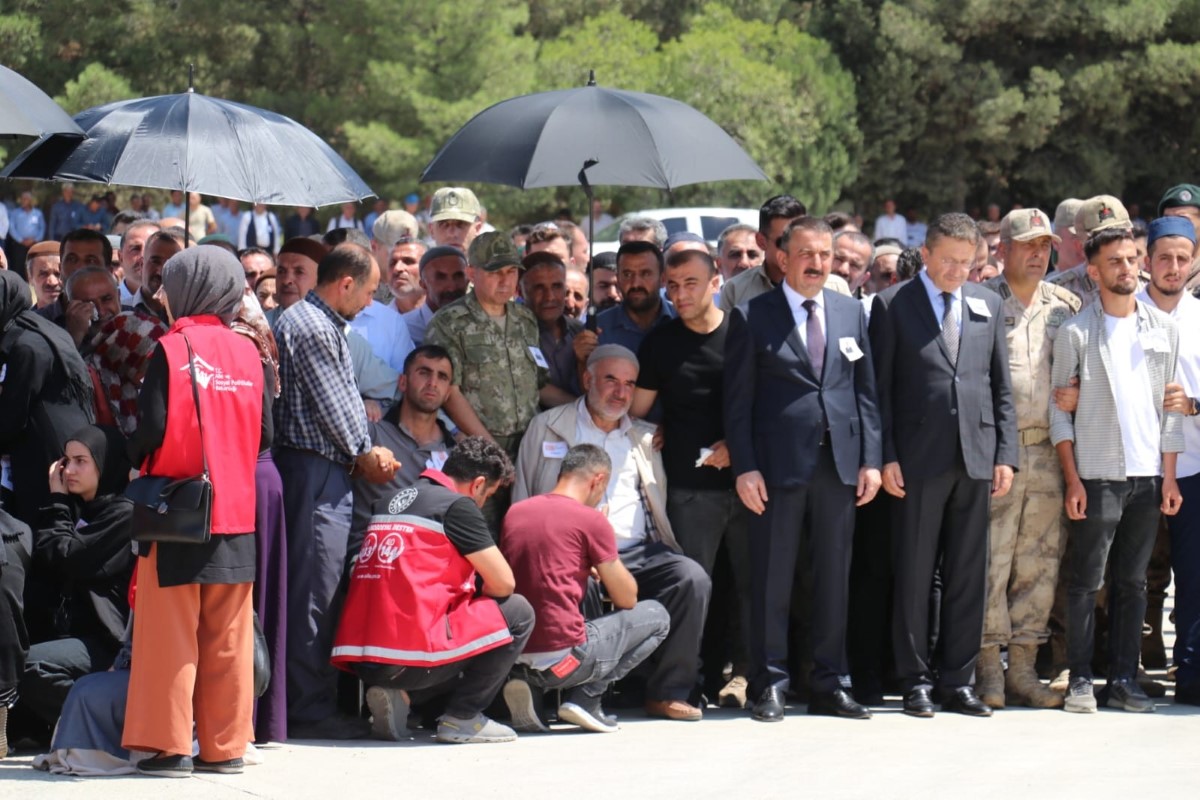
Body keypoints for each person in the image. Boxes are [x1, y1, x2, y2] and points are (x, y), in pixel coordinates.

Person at [724, 217, 882, 722]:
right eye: (807, 254)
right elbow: (738, 403)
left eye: (825, 254)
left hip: (839, 465)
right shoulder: (752, 315)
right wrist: (744, 468)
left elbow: (866, 394)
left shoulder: (850, 311)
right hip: (775, 469)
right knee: (772, 578)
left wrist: (871, 460)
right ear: (783, 258)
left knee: (834, 579)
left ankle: (829, 683)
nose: (818, 264)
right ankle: (769, 684)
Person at [121, 245, 268, 777]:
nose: (161, 291)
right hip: (237, 512)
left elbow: (152, 431)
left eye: (169, 281)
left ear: (187, 287)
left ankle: (168, 746)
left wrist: (133, 453)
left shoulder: (170, 348)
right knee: (229, 637)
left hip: (179, 511)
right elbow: (265, 436)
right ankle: (225, 748)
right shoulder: (251, 352)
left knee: (171, 637)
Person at [870, 212, 1017, 718]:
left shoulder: (988, 303)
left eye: (966, 261)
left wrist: (1006, 455)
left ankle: (958, 679)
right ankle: (914, 680)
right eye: (948, 260)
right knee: (914, 572)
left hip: (975, 457)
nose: (957, 270)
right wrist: (885, 454)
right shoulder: (891, 305)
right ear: (926, 255)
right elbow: (879, 391)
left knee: (967, 573)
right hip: (916, 458)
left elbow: (1001, 388)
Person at [513, 345, 711, 722]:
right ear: (587, 379)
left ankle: (668, 691)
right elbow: (524, 493)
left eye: (630, 384)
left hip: (637, 550)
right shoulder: (550, 425)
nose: (620, 392)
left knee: (691, 578)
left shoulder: (644, 438)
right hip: (572, 550)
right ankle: (580, 693)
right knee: (580, 584)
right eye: (610, 380)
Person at [1050, 226, 1183, 714]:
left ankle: (1123, 679)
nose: (1127, 269)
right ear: (1094, 270)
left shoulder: (1162, 330)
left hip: (1148, 478)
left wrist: (1168, 476)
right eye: (1115, 261)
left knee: (1132, 582)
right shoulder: (1077, 332)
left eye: (1132, 259)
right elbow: (1057, 413)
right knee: (1087, 581)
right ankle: (1082, 678)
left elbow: (1170, 411)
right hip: (1098, 474)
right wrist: (1072, 478)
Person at [272, 244, 398, 739]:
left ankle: (308, 701)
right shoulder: (314, 326)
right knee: (314, 596)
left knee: (314, 589)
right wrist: (368, 452)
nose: (369, 303)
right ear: (345, 283)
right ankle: (309, 708)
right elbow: (339, 412)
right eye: (368, 292)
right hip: (315, 472)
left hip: (316, 471)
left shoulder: (307, 320)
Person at [331, 437, 533, 745]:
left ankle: (399, 696)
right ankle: (463, 718)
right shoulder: (458, 506)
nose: (482, 504)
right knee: (517, 611)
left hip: (364, 661)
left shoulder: (391, 499)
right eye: (487, 496)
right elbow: (504, 583)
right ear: (478, 484)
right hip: (408, 658)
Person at [632, 248, 751, 708]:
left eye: (690, 284)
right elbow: (636, 413)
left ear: (715, 281)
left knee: (747, 584)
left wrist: (737, 448)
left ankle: (743, 677)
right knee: (695, 589)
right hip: (688, 488)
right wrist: (652, 429)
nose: (679, 294)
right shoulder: (661, 343)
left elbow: (772, 401)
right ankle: (689, 681)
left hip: (748, 482)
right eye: (672, 285)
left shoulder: (745, 332)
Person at [976, 209, 1079, 710]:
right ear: (1003, 250)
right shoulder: (981, 302)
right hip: (999, 455)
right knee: (989, 563)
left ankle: (1022, 668)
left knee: (1039, 563)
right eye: (1028, 245)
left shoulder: (1066, 304)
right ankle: (986, 670)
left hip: (1049, 452)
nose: (1038, 254)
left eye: (1045, 246)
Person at [501, 444, 670, 733]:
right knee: (656, 616)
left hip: (513, 658)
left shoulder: (516, 512)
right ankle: (587, 698)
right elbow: (626, 598)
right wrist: (603, 548)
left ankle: (532, 690)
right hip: (566, 662)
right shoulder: (590, 519)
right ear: (598, 480)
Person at [424, 232, 554, 529]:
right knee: (482, 536)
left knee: (529, 533)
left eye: (511, 272)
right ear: (472, 273)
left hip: (529, 447)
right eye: (496, 272)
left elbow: (539, 382)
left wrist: (583, 404)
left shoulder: (525, 319)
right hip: (477, 452)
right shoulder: (449, 322)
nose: (506, 281)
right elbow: (449, 393)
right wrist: (493, 451)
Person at [19, 426, 134, 736]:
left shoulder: (122, 514)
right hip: (78, 636)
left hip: (107, 643)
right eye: (66, 461)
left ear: (104, 463)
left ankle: (96, 720)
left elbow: (67, 556)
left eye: (81, 460)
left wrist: (57, 501)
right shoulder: (85, 510)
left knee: (30, 666)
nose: (69, 470)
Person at [1133, 218, 1200, 682]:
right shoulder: (1121, 313)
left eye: (1182, 259)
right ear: (1147, 261)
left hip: (1193, 467)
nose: (1173, 267)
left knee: (1192, 574)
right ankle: (1117, 667)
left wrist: (1195, 405)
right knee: (1126, 574)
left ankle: (1191, 667)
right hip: (1130, 466)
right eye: (1164, 258)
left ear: (1193, 261)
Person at [0, 272, 95, 528]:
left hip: (47, 457)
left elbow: (11, 417)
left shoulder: (27, 344)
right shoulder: (43, 331)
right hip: (69, 449)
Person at [350, 345, 457, 556]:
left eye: (442, 377)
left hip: (424, 562)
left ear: (448, 394)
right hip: (367, 557)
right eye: (424, 372)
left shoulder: (455, 455)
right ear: (403, 382)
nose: (432, 383)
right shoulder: (370, 432)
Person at [718, 195, 850, 314]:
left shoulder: (835, 287)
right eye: (783, 241)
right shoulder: (737, 289)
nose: (795, 250)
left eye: (801, 242)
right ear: (761, 241)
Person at [522, 251, 583, 398]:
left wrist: (584, 362)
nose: (549, 297)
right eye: (539, 288)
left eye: (557, 286)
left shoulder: (580, 332)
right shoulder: (512, 334)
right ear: (521, 291)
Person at [402, 245, 467, 347]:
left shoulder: (483, 323)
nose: (451, 287)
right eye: (441, 277)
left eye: (458, 276)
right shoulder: (404, 328)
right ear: (423, 284)